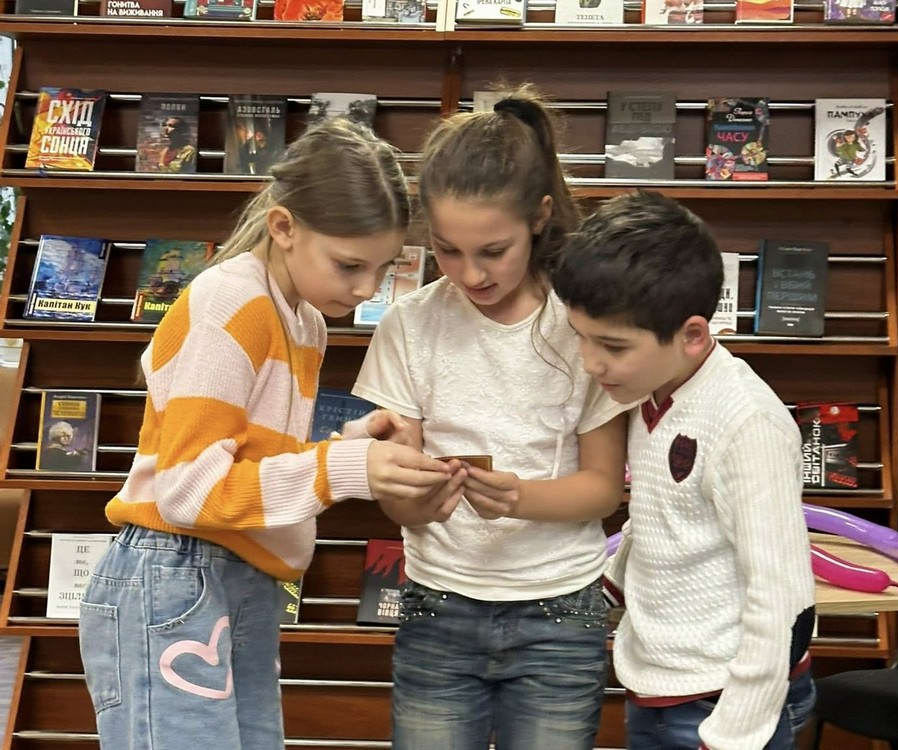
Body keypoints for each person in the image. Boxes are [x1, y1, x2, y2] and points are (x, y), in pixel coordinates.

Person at [77, 119, 461, 750]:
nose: (367, 289)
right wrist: (344, 469)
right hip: (177, 571)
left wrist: (350, 446)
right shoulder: (233, 301)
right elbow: (189, 491)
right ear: (284, 227)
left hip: (238, 576)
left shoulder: (305, 320)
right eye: (349, 265)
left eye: (382, 267)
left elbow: (250, 461)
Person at [351, 86, 632, 749]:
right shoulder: (409, 324)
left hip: (561, 610)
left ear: (539, 217)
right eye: (447, 250)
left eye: (493, 251)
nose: (470, 274)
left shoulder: (581, 325)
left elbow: (603, 488)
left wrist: (519, 499)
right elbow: (400, 505)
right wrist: (409, 491)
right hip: (438, 605)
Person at [551, 190, 816, 750]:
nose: (590, 363)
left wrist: (733, 733)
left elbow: (784, 597)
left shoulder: (747, 424)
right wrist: (611, 582)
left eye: (612, 346)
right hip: (656, 688)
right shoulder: (648, 389)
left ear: (693, 335)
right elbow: (666, 517)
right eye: (580, 337)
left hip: (725, 705)